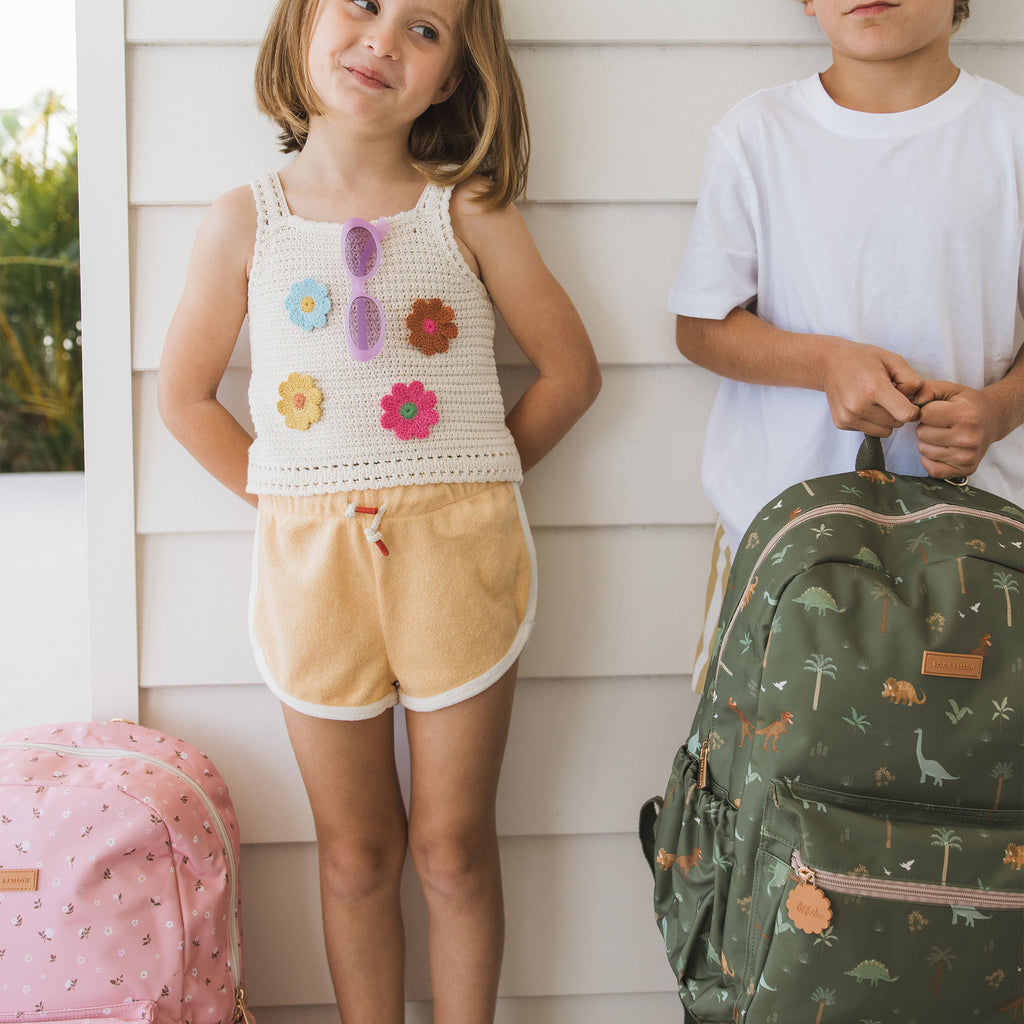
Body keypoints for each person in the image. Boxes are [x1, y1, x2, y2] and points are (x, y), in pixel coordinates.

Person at [157, 0, 601, 1020]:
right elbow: (184, 398)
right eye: (360, 3)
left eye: (425, 29)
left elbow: (570, 373)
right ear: (302, 22)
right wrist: (290, 496)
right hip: (313, 567)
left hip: (459, 557)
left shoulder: (469, 211)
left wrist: (472, 478)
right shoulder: (245, 220)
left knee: (450, 847)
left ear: (449, 79)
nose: (383, 38)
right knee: (356, 854)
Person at [670, 0, 1024, 693]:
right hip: (779, 545)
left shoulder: (1012, 136)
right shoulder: (758, 134)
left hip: (980, 551)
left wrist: (1002, 409)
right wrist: (826, 362)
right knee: (765, 777)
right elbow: (700, 326)